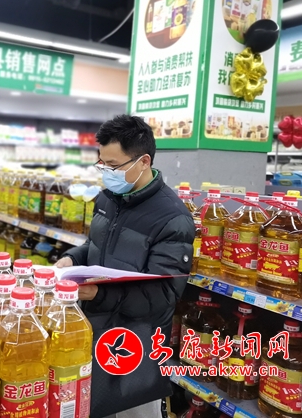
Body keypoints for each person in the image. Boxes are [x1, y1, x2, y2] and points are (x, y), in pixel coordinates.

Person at [56, 114, 195, 418]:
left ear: (144, 162)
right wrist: (73, 259)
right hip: (95, 329)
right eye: (102, 164)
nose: (106, 172)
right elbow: (95, 246)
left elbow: (163, 295)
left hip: (136, 345)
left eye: (113, 165)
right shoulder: (108, 198)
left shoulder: (173, 218)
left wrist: (98, 294)